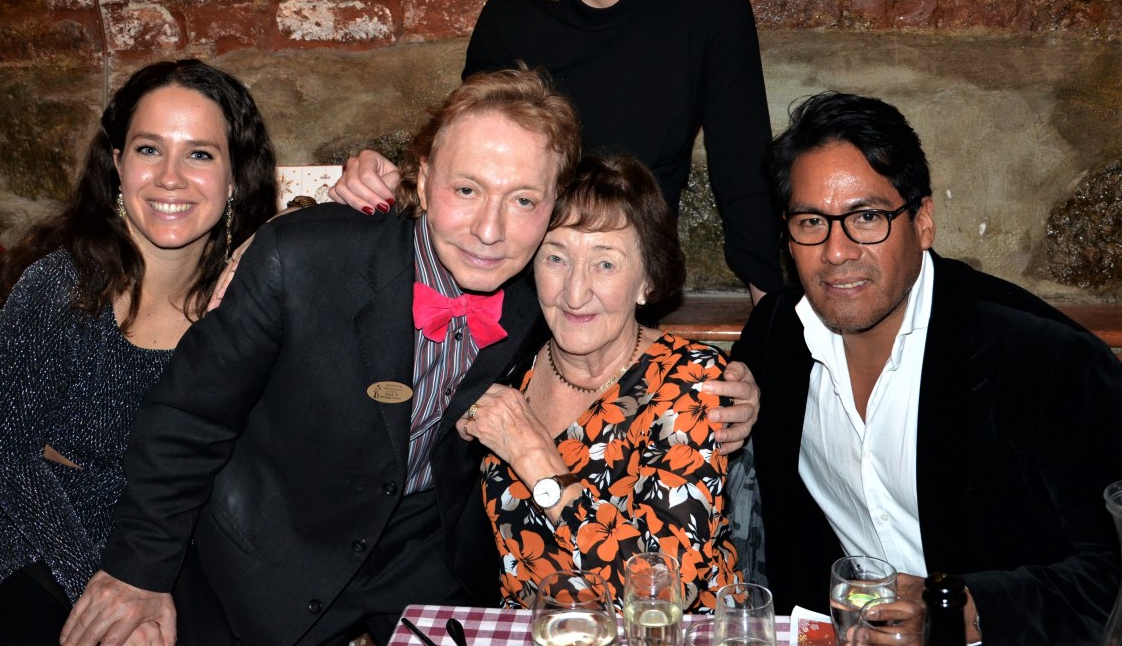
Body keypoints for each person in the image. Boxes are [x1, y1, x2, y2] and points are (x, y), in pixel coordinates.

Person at [60, 69, 582, 646]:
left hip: (424, 561)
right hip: (265, 553)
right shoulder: (303, 259)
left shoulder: (544, 297)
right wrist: (138, 571)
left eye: (523, 200)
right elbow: (188, 418)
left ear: (553, 206)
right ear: (425, 176)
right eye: (466, 190)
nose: (489, 230)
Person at [330, 0, 781, 302]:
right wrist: (384, 177)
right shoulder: (513, 17)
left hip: (622, 291)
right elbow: (462, 161)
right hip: (511, 293)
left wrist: (770, 322)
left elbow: (743, 169)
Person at [731, 91, 1122, 645]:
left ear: (923, 222)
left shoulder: (1048, 361)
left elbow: (1111, 570)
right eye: (812, 221)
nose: (837, 251)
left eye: (867, 217)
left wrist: (959, 610)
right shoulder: (776, 337)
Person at [0, 59, 278, 645]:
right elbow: (10, 458)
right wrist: (107, 592)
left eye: (199, 154)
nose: (170, 177)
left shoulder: (247, 303)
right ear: (118, 164)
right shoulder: (59, 286)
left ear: (235, 178)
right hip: (28, 526)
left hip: (167, 533)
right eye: (149, 149)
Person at [464, 155, 739, 611]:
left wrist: (535, 457)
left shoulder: (690, 381)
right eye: (556, 258)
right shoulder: (506, 361)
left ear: (647, 280)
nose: (575, 293)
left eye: (605, 264)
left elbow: (664, 589)